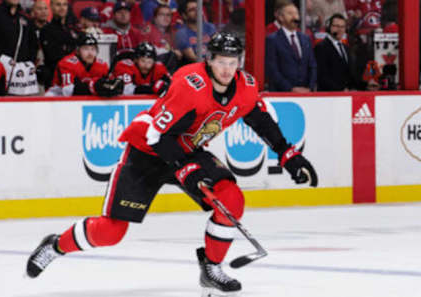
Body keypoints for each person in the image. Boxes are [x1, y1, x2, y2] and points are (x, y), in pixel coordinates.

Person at [25, 32, 318, 296]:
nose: (228, 69)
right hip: (147, 151)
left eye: (233, 62)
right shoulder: (188, 84)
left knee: (231, 196)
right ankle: (55, 245)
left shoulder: (246, 86)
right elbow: (157, 135)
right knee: (111, 232)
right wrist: (184, 167)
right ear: (209, 60)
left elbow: (260, 119)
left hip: (187, 149)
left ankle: (212, 268)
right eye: (221, 62)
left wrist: (288, 155)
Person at [45, 34, 124, 97]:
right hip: (57, 97)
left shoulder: (102, 65)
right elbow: (67, 91)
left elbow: (108, 85)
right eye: (86, 49)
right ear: (78, 51)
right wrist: (94, 86)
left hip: (85, 99)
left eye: (93, 49)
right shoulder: (67, 63)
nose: (90, 53)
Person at [265, 1, 317, 92]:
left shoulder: (306, 39)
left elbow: (312, 65)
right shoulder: (272, 40)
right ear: (281, 17)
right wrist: (291, 89)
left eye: (296, 13)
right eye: (290, 13)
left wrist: (310, 87)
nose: (295, 17)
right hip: (281, 94)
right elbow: (272, 70)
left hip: (306, 93)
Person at [39, 0, 78, 88]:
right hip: (55, 79)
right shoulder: (46, 30)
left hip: (74, 77)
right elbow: (53, 56)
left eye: (64, 5)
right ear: (51, 7)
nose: (62, 8)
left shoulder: (72, 30)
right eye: (58, 5)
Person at [315, 13, 357, 91]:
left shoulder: (346, 48)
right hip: (330, 97)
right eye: (336, 26)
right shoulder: (321, 47)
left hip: (347, 96)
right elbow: (321, 76)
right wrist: (341, 90)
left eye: (342, 27)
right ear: (329, 27)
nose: (340, 29)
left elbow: (350, 73)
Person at [175, 0, 216, 65]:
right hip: (195, 69)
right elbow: (193, 58)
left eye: (198, 8)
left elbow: (217, 48)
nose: (197, 11)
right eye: (192, 10)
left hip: (212, 64)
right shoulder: (181, 33)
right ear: (184, 15)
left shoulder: (210, 27)